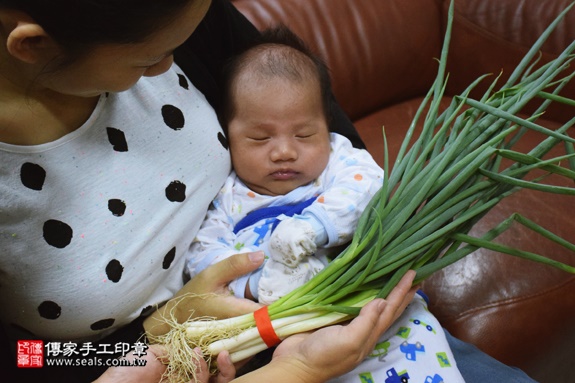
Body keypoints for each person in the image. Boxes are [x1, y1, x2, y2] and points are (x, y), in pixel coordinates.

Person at [0, 0, 537, 382]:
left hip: (327, 299)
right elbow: (26, 361)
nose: (165, 69)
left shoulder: (181, 15)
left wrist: (371, 234)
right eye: (145, 61)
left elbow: (307, 112)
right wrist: (163, 333)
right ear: (33, 44)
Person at [186, 27, 465, 383]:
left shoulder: (339, 160)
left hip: (381, 319)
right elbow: (201, 257)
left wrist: (312, 228)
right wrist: (259, 284)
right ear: (227, 133)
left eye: (304, 134)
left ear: (327, 125)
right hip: (286, 348)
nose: (284, 151)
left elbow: (367, 188)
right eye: (260, 137)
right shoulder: (226, 195)